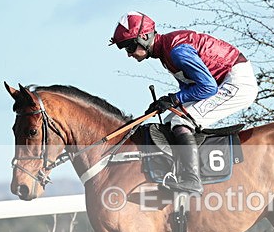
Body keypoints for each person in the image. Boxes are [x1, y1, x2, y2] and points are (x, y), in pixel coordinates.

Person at [109, 11, 258, 194]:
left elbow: (208, 88)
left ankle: (192, 180)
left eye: (129, 46)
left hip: (237, 82)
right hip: (224, 80)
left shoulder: (176, 52)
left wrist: (174, 99)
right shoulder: (165, 52)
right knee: (174, 117)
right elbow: (193, 87)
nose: (129, 54)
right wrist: (168, 102)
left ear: (145, 37)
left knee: (181, 121)